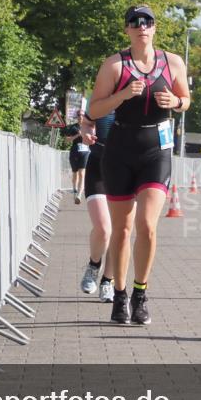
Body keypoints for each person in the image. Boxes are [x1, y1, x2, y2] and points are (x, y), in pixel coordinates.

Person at [86, 4, 191, 325]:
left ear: (155, 28)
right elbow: (94, 109)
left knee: (147, 225)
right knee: (123, 229)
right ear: (127, 30)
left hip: (156, 150)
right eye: (135, 22)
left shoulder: (172, 62)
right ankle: (119, 295)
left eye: (147, 22)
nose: (141, 26)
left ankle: (140, 294)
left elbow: (186, 99)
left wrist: (175, 102)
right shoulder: (114, 66)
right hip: (120, 150)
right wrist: (122, 96)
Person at [77, 109, 117, 302]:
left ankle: (107, 281)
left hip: (126, 170)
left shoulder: (141, 97)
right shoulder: (103, 95)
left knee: (119, 232)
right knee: (103, 229)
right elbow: (87, 123)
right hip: (98, 166)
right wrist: (85, 132)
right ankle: (94, 266)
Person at [64, 110, 90, 204]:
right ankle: (74, 188)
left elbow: (93, 137)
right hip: (75, 151)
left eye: (82, 115)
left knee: (82, 174)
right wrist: (78, 135)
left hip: (85, 152)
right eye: (79, 115)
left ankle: (79, 195)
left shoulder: (88, 127)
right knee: (75, 173)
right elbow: (67, 140)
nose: (80, 117)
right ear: (77, 117)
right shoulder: (73, 127)